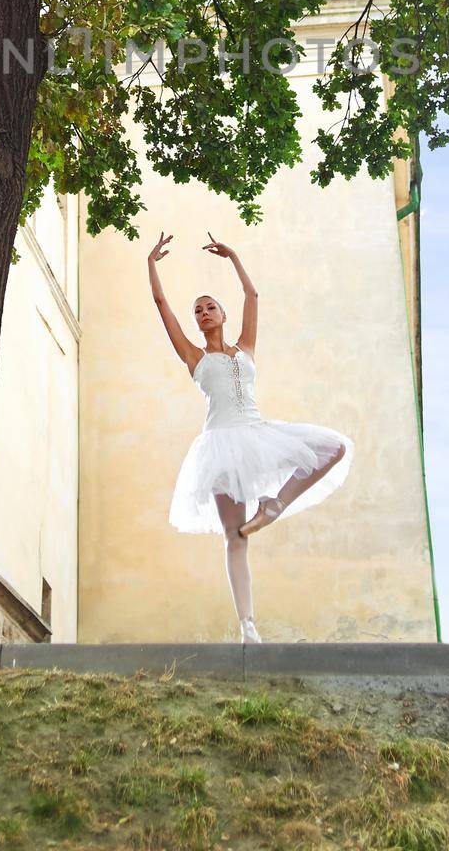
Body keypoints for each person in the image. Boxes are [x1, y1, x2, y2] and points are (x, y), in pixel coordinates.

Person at [148, 229, 353, 643]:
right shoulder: (194, 356)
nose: (203, 313)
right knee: (235, 535)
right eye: (198, 311)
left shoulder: (246, 348)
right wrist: (150, 264)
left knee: (334, 447)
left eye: (210, 308)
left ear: (222, 315)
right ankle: (248, 626)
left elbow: (253, 297)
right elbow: (161, 305)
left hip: (258, 433)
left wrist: (234, 256)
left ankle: (275, 504)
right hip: (221, 445)